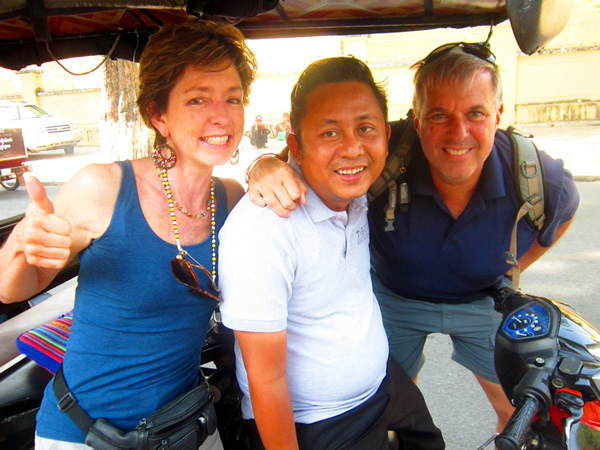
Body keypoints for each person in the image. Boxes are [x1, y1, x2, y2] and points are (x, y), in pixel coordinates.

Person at [245, 42, 580, 433]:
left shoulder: (534, 171)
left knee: (522, 417)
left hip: (484, 300)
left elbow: (565, 210)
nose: (459, 133)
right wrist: (262, 163)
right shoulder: (383, 147)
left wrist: (512, 268)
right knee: (390, 409)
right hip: (395, 298)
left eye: (476, 113)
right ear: (416, 120)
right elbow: (311, 159)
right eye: (439, 115)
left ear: (498, 115)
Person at [0, 20, 256, 448]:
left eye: (233, 98)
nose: (221, 115)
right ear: (159, 115)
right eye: (197, 99)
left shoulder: (231, 198)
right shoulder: (101, 187)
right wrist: (24, 245)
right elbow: (13, 289)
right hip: (84, 433)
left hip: (184, 426)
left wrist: (265, 166)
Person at [219, 56, 445, 450]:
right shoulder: (265, 227)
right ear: (297, 148)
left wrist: (263, 162)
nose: (353, 148)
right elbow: (265, 380)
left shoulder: (354, 197)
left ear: (386, 138)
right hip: (319, 424)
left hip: (383, 387)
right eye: (329, 133)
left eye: (365, 128)